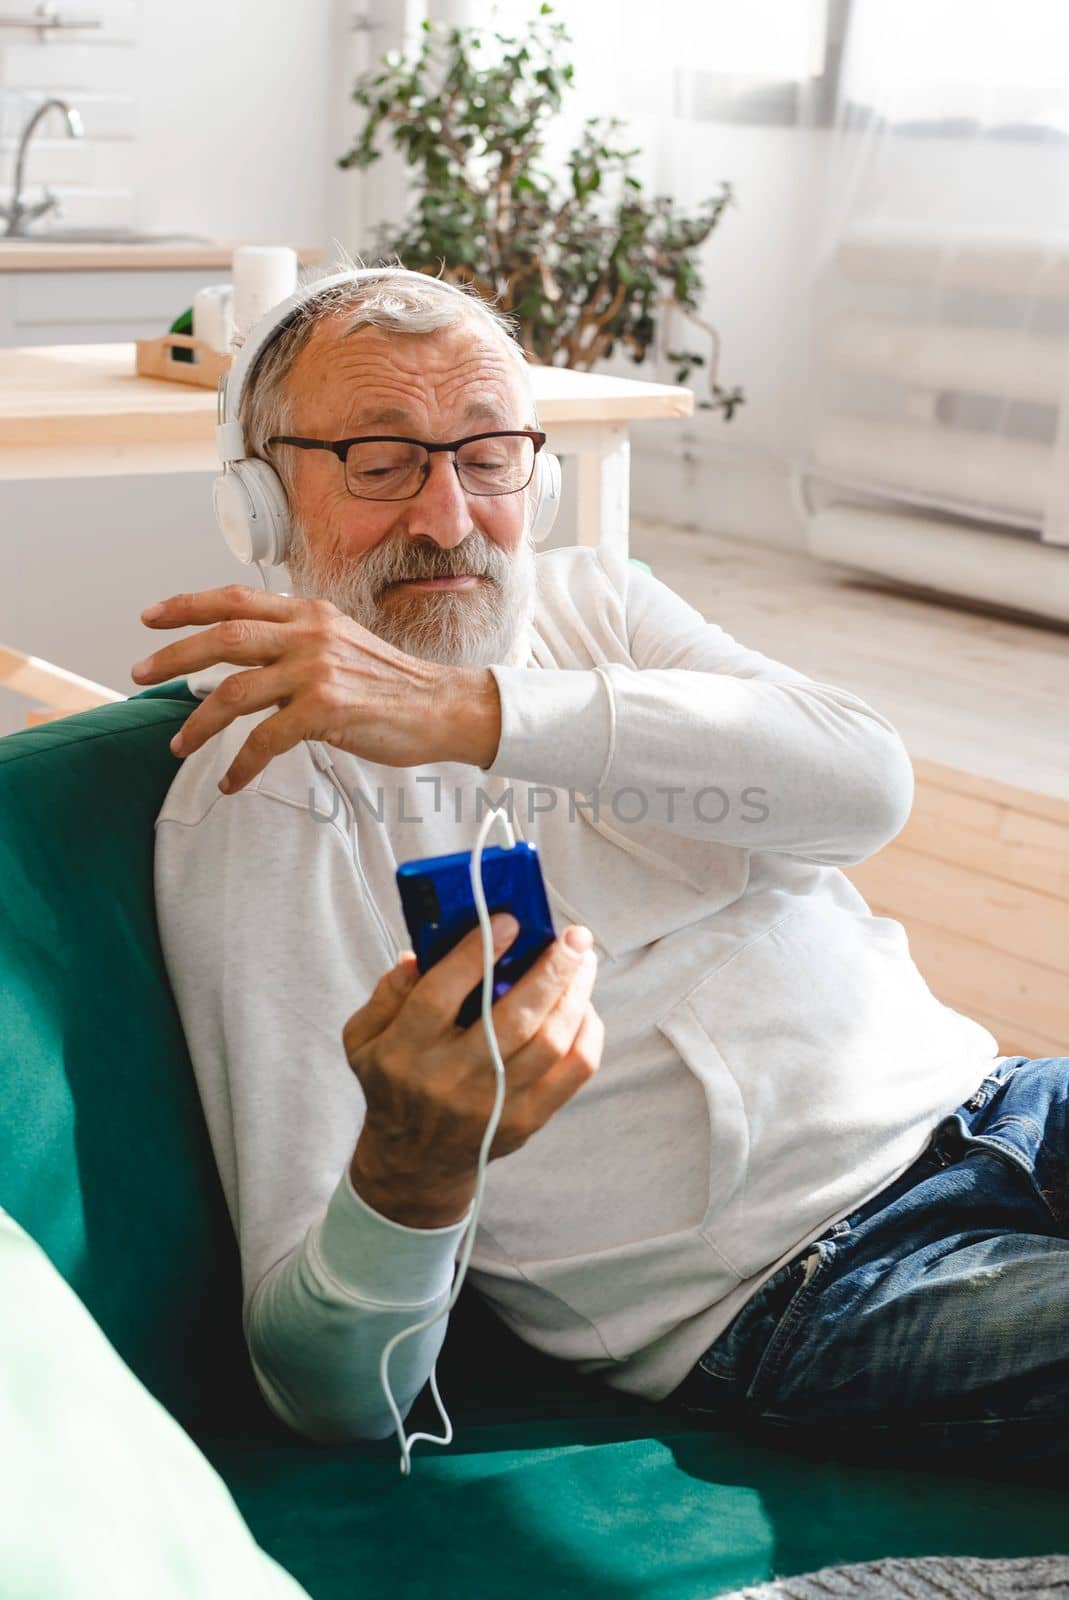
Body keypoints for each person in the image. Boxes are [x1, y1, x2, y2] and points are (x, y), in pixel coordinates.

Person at [138, 266, 1067, 1469]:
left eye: (486, 455)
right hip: (803, 1286)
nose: (448, 516)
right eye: (378, 460)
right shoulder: (263, 794)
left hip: (995, 1105)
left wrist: (475, 708)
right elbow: (327, 1387)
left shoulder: (597, 606)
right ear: (259, 508)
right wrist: (409, 1171)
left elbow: (863, 786)